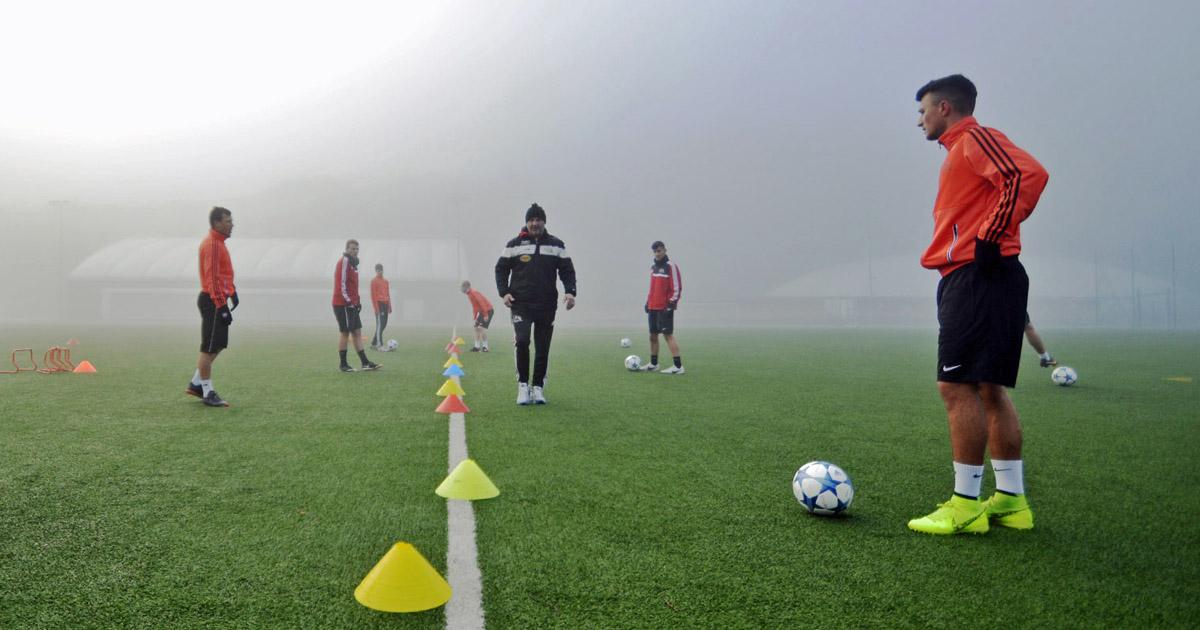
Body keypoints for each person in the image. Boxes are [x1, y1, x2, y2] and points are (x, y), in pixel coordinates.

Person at [907, 74, 1049, 535]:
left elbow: (1027, 173)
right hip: (981, 276)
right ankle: (1011, 500)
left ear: (945, 107)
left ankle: (964, 504)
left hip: (978, 275)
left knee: (957, 387)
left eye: (924, 109)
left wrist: (989, 235)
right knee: (988, 388)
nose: (920, 119)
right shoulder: (959, 153)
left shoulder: (974, 138)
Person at [495, 203, 576, 405]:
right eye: (531, 220)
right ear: (526, 222)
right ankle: (523, 386)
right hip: (520, 303)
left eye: (538, 219)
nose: (535, 223)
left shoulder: (556, 245)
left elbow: (567, 270)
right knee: (522, 341)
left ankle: (538, 387)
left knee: (542, 347)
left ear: (544, 222)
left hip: (546, 304)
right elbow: (500, 269)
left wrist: (570, 292)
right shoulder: (514, 245)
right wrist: (504, 293)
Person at [187, 206, 238, 407]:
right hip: (212, 300)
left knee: (218, 345)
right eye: (228, 221)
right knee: (208, 348)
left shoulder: (219, 243)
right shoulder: (213, 245)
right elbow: (212, 278)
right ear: (217, 223)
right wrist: (221, 305)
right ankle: (207, 392)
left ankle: (196, 383)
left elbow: (223, 274)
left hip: (218, 298)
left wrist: (232, 291)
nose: (231, 224)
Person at [332, 239, 381, 372]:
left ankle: (365, 363)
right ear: (347, 249)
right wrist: (349, 302)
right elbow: (341, 284)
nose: (355, 251)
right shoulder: (345, 261)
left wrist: (357, 301)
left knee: (357, 332)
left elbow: (353, 286)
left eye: (356, 249)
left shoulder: (354, 264)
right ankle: (343, 364)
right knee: (345, 332)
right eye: (352, 248)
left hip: (352, 304)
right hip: (342, 304)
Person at [641, 240, 684, 374]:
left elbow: (676, 287)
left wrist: (671, 304)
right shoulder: (653, 267)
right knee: (653, 336)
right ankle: (654, 364)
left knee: (667, 336)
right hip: (653, 307)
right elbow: (652, 288)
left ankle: (678, 367)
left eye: (659, 251)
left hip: (665, 308)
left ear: (665, 250)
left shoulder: (671, 266)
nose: (657, 253)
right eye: (655, 251)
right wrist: (648, 302)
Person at [461, 280, 494, 352]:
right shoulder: (469, 295)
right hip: (482, 311)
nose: (463, 289)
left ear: (468, 287)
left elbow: (482, 303)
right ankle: (477, 347)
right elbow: (475, 307)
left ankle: (485, 347)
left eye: (464, 288)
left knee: (481, 328)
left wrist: (485, 315)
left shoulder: (474, 293)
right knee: (476, 328)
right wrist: (475, 317)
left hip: (488, 310)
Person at [370, 263, 393, 351]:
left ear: (383, 270)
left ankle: (373, 343)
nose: (379, 271)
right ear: (376, 271)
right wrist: (376, 308)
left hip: (385, 304)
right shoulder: (374, 281)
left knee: (383, 324)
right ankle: (379, 345)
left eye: (381, 269)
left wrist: (389, 306)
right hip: (379, 304)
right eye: (378, 270)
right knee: (380, 324)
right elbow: (373, 295)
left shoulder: (386, 281)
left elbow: (388, 294)